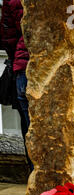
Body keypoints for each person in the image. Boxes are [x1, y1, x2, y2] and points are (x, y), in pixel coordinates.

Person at [0, 0, 32, 172]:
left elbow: (7, 34)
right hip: (29, 62)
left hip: (24, 65)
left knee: (30, 129)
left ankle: (40, 188)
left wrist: (17, 58)